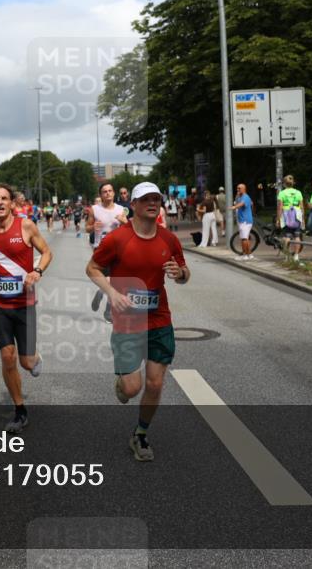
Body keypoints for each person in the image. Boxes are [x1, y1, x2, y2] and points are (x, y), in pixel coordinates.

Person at [85, 182, 190, 462]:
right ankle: (123, 384)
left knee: (154, 385)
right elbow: (92, 268)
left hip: (158, 318)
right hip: (128, 320)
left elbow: (184, 273)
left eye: (156, 199)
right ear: (133, 205)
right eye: (145, 200)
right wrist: (111, 293)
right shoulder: (118, 239)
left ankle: (140, 434)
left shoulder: (169, 239)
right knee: (132, 389)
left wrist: (179, 273)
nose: (152, 203)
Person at [0, 183, 53, 433]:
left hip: (24, 304)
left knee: (26, 363)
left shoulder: (26, 226)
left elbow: (47, 252)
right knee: (8, 357)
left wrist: (37, 270)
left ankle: (35, 357)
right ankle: (20, 411)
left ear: (10, 203)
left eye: (4, 198)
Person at [87, 182, 128, 322]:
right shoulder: (94, 209)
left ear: (114, 193)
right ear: (101, 195)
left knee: (116, 282)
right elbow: (86, 228)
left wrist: (124, 222)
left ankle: (105, 302)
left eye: (110, 190)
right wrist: (93, 226)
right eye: (105, 191)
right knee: (108, 280)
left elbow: (128, 228)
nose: (108, 193)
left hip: (118, 250)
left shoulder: (121, 209)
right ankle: (102, 294)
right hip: (101, 248)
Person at [277, 175, 305, 262]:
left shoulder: (282, 193)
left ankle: (287, 255)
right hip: (297, 215)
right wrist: (303, 219)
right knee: (297, 236)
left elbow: (280, 207)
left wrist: (278, 220)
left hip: (286, 215)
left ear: (284, 184)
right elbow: (302, 207)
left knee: (287, 236)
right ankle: (296, 255)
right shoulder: (298, 192)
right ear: (293, 183)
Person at [230, 183, 255, 260]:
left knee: (244, 238)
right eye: (237, 188)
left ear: (244, 189)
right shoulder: (240, 197)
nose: (237, 190)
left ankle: (245, 255)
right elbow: (251, 203)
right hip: (242, 220)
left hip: (245, 221)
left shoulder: (245, 197)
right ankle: (249, 254)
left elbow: (241, 204)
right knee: (245, 238)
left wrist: (234, 207)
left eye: (239, 188)